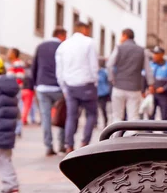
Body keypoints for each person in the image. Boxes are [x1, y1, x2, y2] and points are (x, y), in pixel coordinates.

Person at [56, 21, 98, 153]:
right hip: (87, 84)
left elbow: (60, 70)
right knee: (91, 114)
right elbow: (93, 65)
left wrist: (63, 88)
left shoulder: (63, 45)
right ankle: (85, 142)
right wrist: (95, 81)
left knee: (71, 116)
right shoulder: (89, 42)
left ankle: (69, 145)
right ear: (84, 29)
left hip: (70, 85)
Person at [32, 27, 67, 156]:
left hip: (42, 87)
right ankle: (62, 145)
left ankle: (48, 146)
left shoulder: (40, 46)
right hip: (58, 87)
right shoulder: (63, 46)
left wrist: (35, 84)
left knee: (45, 117)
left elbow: (34, 66)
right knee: (62, 115)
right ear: (61, 35)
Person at [0, 54, 20, 193]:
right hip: (7, 132)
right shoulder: (9, 88)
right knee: (3, 159)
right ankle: (10, 185)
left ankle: (10, 185)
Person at [107, 29, 153, 122]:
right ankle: (131, 135)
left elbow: (109, 65)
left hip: (119, 86)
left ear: (125, 35)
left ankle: (116, 136)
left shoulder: (119, 48)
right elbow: (148, 70)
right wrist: (151, 84)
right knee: (133, 117)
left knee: (117, 116)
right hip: (135, 88)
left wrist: (112, 79)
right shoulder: (142, 50)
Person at [150, 47, 167, 121]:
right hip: (152, 93)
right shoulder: (151, 64)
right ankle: (148, 132)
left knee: (164, 115)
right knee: (151, 114)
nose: (154, 56)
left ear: (162, 55)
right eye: (154, 54)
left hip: (163, 94)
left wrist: (164, 88)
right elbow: (144, 77)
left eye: (156, 54)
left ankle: (165, 132)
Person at [6, 48, 25, 138]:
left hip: (14, 90)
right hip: (12, 89)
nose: (8, 53)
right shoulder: (13, 63)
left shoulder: (17, 63)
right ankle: (16, 129)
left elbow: (20, 77)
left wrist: (14, 88)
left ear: (14, 54)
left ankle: (18, 129)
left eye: (9, 52)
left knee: (17, 108)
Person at [97, 58, 111, 128]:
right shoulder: (93, 72)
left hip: (103, 93)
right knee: (94, 109)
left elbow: (108, 81)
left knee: (103, 109)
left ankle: (105, 122)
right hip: (95, 93)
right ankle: (95, 123)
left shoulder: (104, 72)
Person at [21, 60, 35, 125]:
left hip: (22, 90)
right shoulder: (31, 73)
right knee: (27, 106)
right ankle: (23, 119)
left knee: (23, 106)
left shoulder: (23, 72)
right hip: (29, 90)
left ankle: (24, 119)